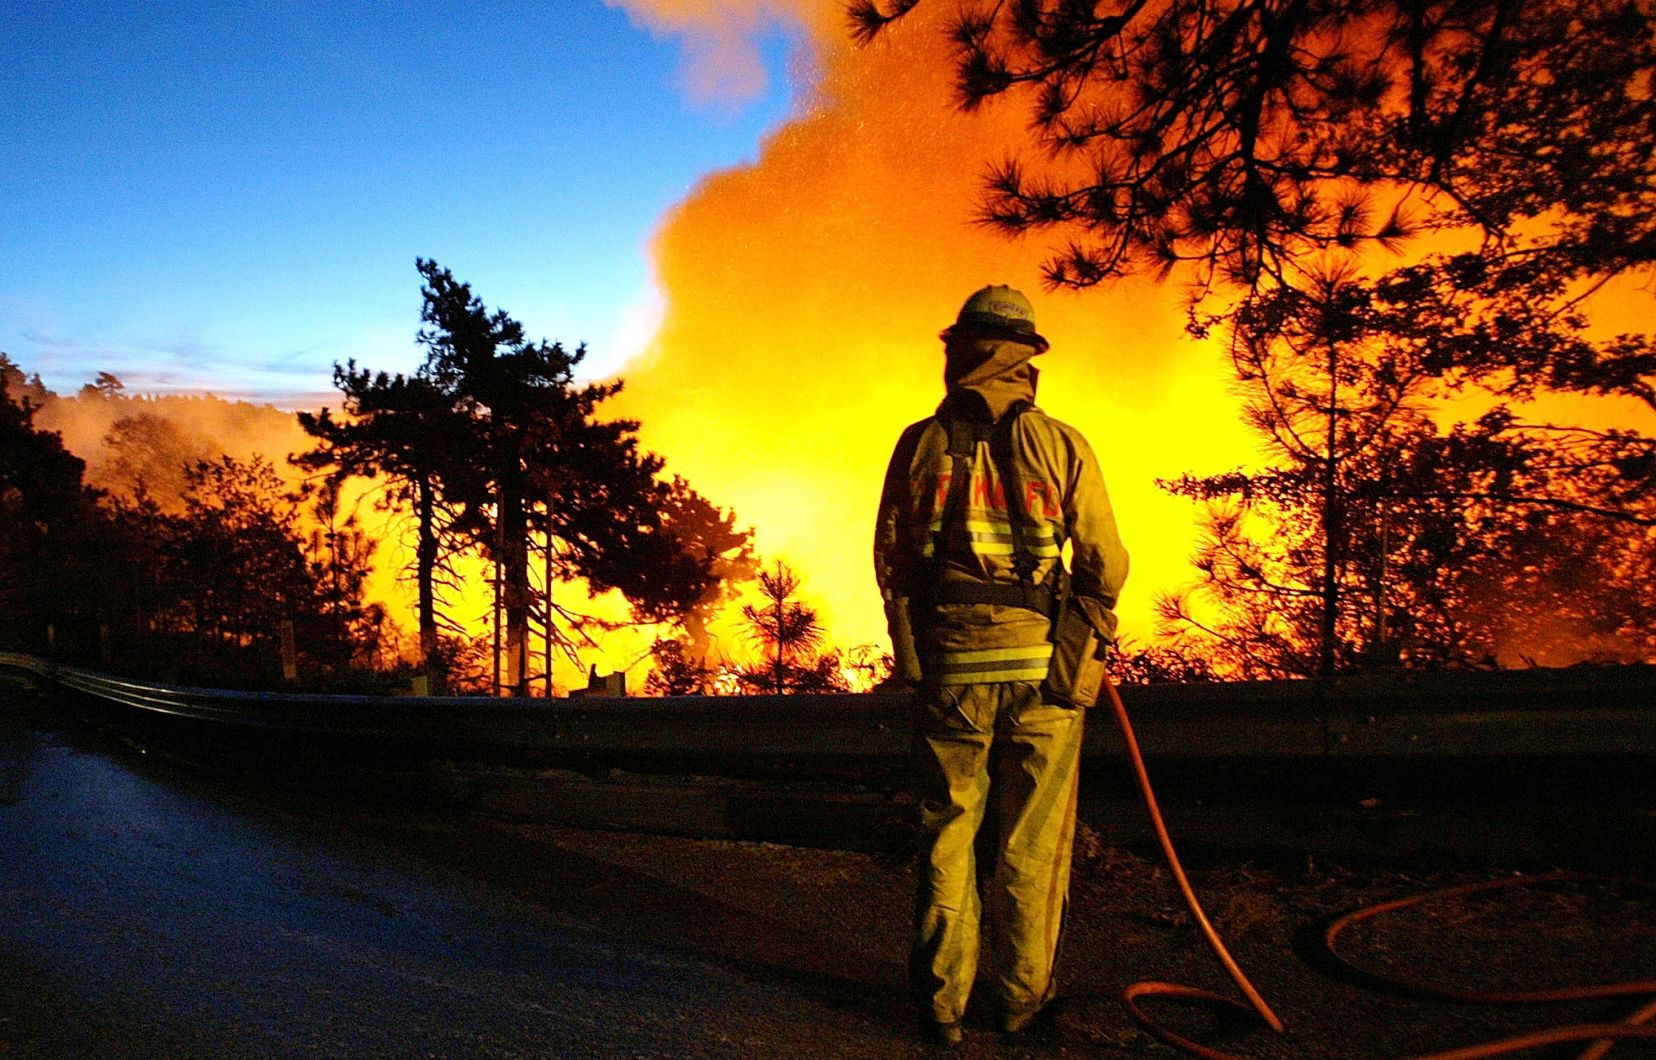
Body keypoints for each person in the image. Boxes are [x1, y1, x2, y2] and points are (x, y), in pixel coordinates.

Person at [874, 284, 1129, 1046]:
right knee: (1033, 844)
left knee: (949, 832)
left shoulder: (918, 444)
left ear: (958, 353)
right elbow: (1105, 566)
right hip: (1043, 677)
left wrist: (918, 660)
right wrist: (1080, 651)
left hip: (953, 674)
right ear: (1027, 361)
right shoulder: (1063, 444)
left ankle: (943, 1007)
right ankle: (1020, 1002)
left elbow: (894, 564)